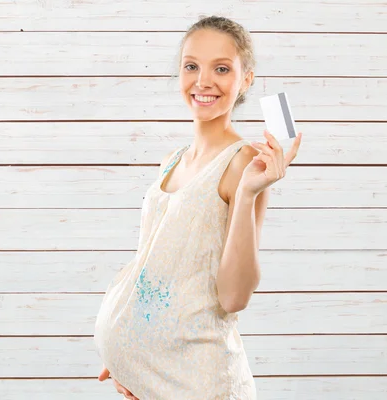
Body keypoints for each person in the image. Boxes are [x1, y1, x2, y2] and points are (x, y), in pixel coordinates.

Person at [93, 15, 303, 400]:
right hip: (157, 381)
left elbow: (233, 298)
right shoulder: (171, 161)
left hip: (200, 387)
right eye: (191, 66)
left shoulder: (242, 162)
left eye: (221, 68)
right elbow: (157, 266)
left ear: (246, 79)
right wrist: (132, 355)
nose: (203, 81)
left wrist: (247, 195)